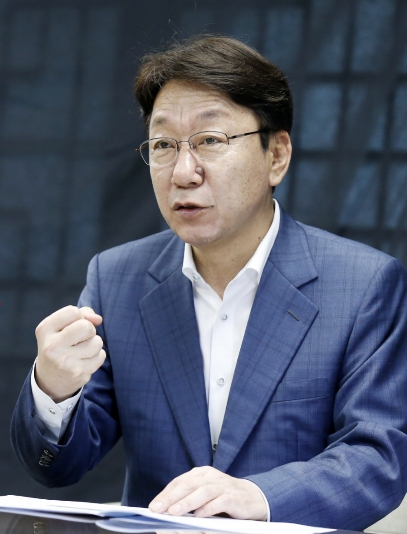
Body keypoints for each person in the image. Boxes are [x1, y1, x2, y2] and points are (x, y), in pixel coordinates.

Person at [11, 36, 407, 531]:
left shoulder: (363, 284)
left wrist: (259, 496)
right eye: (163, 145)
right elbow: (57, 467)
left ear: (276, 155)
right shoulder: (116, 279)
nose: (183, 172)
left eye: (210, 141)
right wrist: (54, 390)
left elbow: (377, 458)